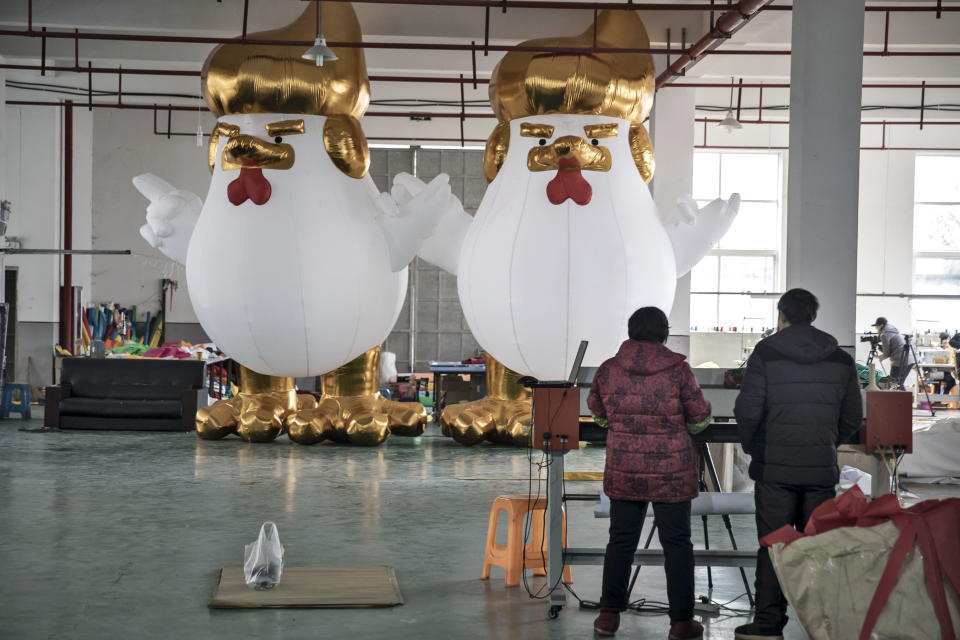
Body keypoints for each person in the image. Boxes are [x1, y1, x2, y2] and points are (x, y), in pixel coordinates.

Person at [733, 289, 863, 640]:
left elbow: (748, 410)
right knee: (817, 546)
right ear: (813, 316)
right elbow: (853, 416)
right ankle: (820, 625)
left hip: (774, 469)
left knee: (775, 544)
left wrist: (756, 447)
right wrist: (826, 444)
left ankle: (768, 624)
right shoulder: (839, 358)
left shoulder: (766, 352)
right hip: (820, 469)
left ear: (783, 316)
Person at [588, 307, 712, 640]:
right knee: (677, 544)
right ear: (664, 333)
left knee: (621, 542)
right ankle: (681, 622)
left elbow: (597, 411)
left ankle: (608, 617)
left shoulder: (609, 370)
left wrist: (615, 424)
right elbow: (699, 418)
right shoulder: (679, 370)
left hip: (624, 470)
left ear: (630, 332)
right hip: (670, 472)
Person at [873, 317, 915, 388]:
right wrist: (880, 347)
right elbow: (892, 349)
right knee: (899, 384)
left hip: (900, 361)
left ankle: (901, 398)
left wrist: (879, 357)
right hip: (909, 359)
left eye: (877, 326)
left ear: (881, 325)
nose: (876, 328)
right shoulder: (892, 331)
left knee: (894, 384)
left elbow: (887, 354)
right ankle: (903, 397)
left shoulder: (884, 335)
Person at [936, 331, 957, 396]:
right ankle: (936, 400)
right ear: (941, 341)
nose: (946, 342)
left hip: (947, 372)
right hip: (938, 371)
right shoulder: (937, 350)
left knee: (952, 381)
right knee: (937, 381)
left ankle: (944, 394)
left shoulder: (951, 350)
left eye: (948, 340)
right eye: (945, 340)